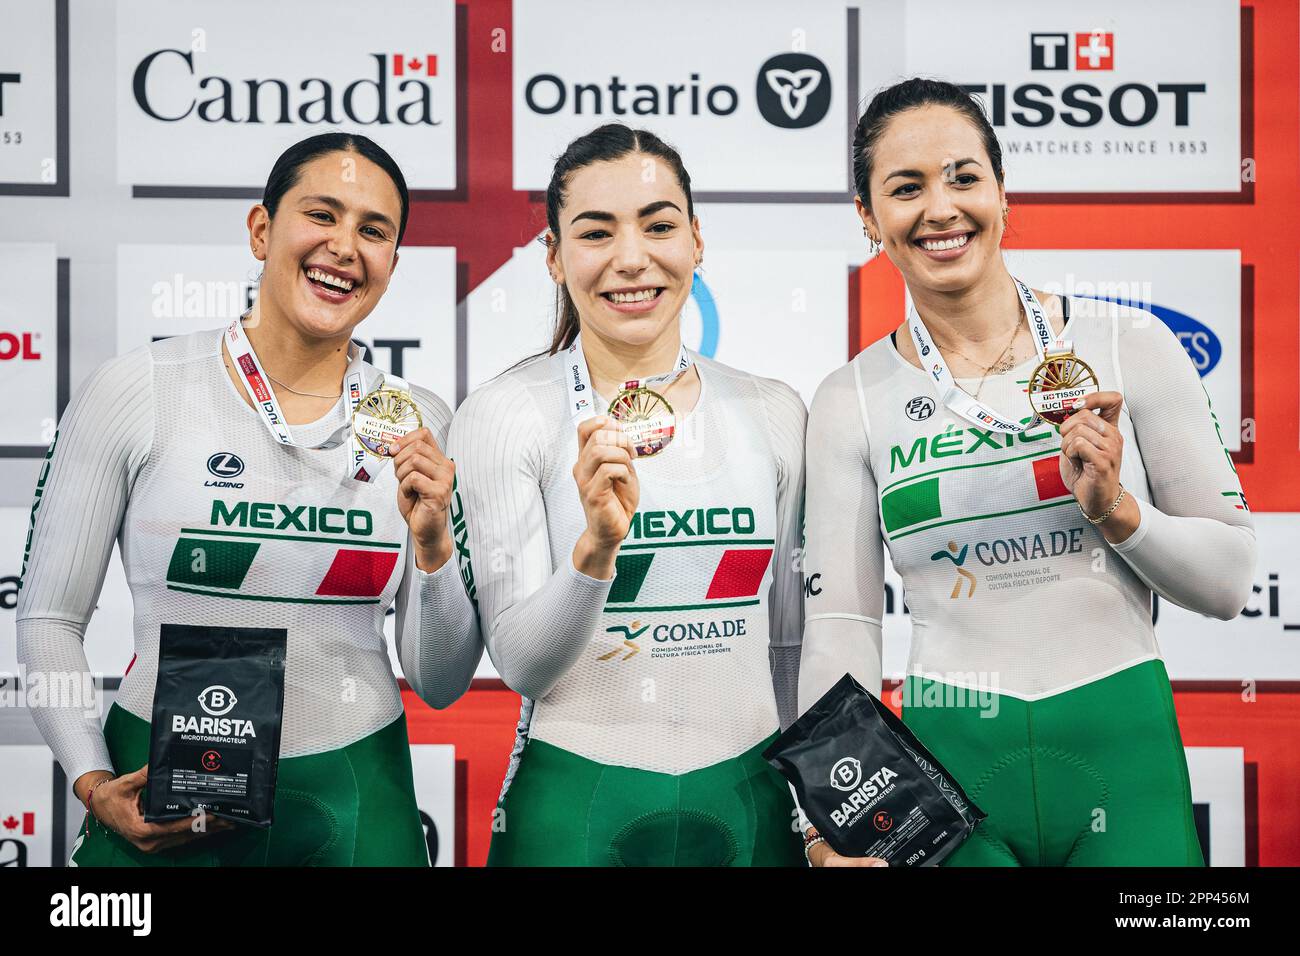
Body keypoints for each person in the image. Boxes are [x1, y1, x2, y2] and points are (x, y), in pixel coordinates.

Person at [798, 79, 1256, 867]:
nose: (941, 208)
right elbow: (844, 627)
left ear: (1002, 194)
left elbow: (1229, 582)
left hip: (1125, 757)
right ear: (870, 221)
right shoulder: (850, 400)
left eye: (963, 178)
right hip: (949, 778)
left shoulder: (1129, 344)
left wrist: (1118, 511)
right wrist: (825, 824)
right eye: (906, 189)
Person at [15, 132, 482, 866]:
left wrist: (433, 548)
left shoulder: (422, 421)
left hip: (357, 797)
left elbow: (442, 680)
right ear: (262, 231)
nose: (344, 247)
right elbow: (47, 618)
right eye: (321, 215)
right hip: (159, 793)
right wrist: (91, 779)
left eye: (373, 230)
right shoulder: (141, 387)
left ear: (393, 260)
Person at [449, 123, 807, 866]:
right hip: (574, 813)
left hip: (753, 804)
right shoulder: (505, 413)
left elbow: (791, 646)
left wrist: (818, 812)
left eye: (658, 225)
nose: (631, 258)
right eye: (596, 232)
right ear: (553, 256)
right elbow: (520, 663)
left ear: (697, 241)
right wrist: (596, 552)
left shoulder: (772, 411)